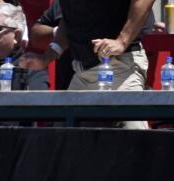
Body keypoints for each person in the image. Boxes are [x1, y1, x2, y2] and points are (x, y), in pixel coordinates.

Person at [19, 0, 155, 130]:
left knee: (132, 132)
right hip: (82, 73)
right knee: (63, 140)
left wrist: (122, 41)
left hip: (119, 67)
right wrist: (47, 57)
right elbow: (70, 21)